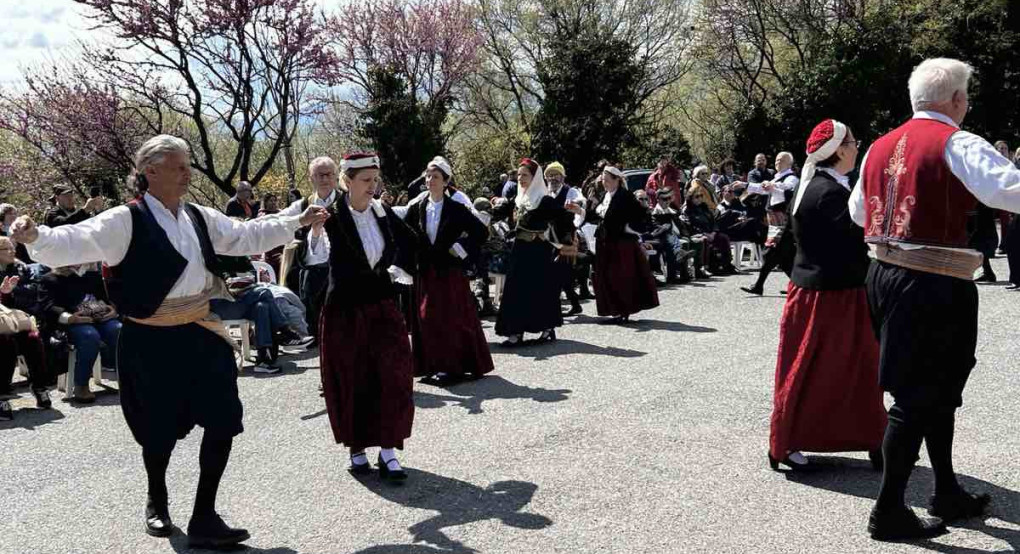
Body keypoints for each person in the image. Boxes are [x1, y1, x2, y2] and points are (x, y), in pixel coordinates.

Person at [9, 135, 327, 547]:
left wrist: (296, 220)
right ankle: (156, 499)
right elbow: (77, 240)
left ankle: (204, 516)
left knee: (224, 419)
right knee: (156, 430)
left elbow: (246, 234)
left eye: (187, 165)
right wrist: (37, 237)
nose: (187, 173)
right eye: (179, 166)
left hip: (200, 329)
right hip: (149, 339)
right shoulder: (125, 219)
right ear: (150, 171)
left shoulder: (198, 216)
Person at [849, 58, 1020, 541]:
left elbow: (858, 211)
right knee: (918, 396)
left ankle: (945, 490)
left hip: (884, 274)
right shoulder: (957, 142)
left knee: (935, 391)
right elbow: (1008, 189)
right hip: (933, 281)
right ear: (957, 100)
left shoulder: (878, 146)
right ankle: (888, 511)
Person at [769, 119, 886, 480]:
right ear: (838, 151)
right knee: (842, 371)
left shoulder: (813, 186)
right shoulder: (830, 193)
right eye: (852, 142)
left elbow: (789, 245)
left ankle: (869, 438)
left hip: (812, 290)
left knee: (814, 369)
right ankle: (794, 441)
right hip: (834, 295)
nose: (856, 148)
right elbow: (855, 244)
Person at [314, 152, 417, 481]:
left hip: (382, 305)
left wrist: (398, 269)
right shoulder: (331, 216)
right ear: (347, 181)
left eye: (375, 179)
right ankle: (357, 448)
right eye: (366, 180)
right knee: (353, 378)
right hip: (345, 310)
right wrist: (314, 231)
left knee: (393, 375)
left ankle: (388, 451)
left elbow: (410, 240)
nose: (373, 186)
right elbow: (313, 256)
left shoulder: (382, 212)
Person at [401, 157, 493, 386]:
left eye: (435, 177)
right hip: (426, 272)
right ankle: (431, 365)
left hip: (449, 272)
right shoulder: (418, 207)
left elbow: (481, 233)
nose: (430, 180)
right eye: (428, 176)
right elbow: (404, 233)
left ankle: (453, 367)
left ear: (445, 181)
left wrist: (460, 248)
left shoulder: (456, 208)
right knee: (426, 319)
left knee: (450, 319)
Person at [495, 159, 577, 346]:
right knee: (515, 290)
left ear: (535, 177)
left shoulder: (544, 199)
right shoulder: (518, 198)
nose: (521, 178)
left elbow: (564, 219)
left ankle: (547, 328)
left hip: (538, 251)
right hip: (519, 250)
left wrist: (560, 241)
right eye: (519, 175)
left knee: (539, 290)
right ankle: (515, 332)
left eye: (525, 175)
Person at [276, 157, 340, 344]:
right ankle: (316, 340)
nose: (325, 179)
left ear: (336, 176)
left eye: (329, 174)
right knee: (312, 306)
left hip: (340, 266)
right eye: (320, 175)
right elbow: (279, 221)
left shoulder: (347, 201)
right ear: (311, 178)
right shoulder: (302, 205)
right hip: (312, 267)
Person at [37, 263, 122, 403]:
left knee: (118, 329)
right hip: (71, 321)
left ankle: (126, 377)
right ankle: (81, 384)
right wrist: (70, 318)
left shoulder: (91, 274)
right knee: (89, 336)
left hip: (99, 317)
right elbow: (47, 306)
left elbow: (105, 297)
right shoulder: (50, 278)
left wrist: (112, 309)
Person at [592, 166, 659, 322]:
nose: (604, 183)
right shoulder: (605, 196)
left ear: (617, 180)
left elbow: (640, 215)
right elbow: (597, 216)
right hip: (605, 242)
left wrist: (628, 228)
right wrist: (580, 211)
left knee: (622, 277)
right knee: (607, 277)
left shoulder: (625, 196)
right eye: (603, 180)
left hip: (621, 244)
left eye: (607, 180)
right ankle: (615, 311)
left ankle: (624, 310)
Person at [0, 238, 52, 411]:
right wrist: (3, 293)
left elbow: (34, 291)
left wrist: (11, 292)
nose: (12, 251)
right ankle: (2, 393)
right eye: (6, 249)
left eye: (13, 248)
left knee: (32, 339)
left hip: (16, 319)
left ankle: (39, 387)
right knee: (6, 343)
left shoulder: (21, 268)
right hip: (2, 324)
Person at [743, 153, 800, 295]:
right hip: (774, 223)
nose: (777, 162)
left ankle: (759, 286)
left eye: (781, 160)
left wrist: (772, 186)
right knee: (783, 257)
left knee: (771, 253)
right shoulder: (775, 178)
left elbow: (787, 188)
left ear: (789, 163)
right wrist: (745, 185)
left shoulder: (791, 178)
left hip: (783, 222)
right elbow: (762, 189)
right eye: (776, 160)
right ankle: (798, 287)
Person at [545, 162, 586, 316]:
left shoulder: (570, 191)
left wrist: (575, 204)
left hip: (567, 237)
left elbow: (580, 200)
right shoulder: (546, 194)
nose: (552, 178)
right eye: (550, 175)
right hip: (550, 237)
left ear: (562, 177)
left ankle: (558, 307)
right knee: (558, 272)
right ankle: (574, 304)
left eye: (556, 175)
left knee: (561, 270)